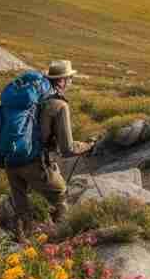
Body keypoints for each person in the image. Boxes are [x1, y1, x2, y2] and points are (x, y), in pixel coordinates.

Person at [5, 60, 93, 235]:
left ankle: (23, 240)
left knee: (21, 205)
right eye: (70, 78)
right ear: (61, 81)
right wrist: (88, 146)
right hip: (34, 162)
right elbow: (67, 149)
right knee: (60, 194)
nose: (71, 82)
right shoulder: (59, 105)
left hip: (10, 159)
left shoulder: (27, 101)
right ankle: (62, 236)